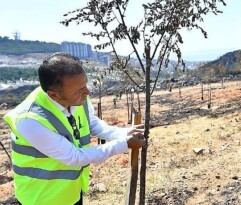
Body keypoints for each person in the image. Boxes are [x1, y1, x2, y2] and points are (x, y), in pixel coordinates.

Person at [3, 53, 146, 205]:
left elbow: (90, 122)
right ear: (54, 95)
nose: (87, 92)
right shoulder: (30, 120)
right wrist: (123, 144)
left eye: (85, 84)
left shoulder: (77, 93)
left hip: (70, 192)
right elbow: (74, 157)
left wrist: (122, 133)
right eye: (80, 90)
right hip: (42, 198)